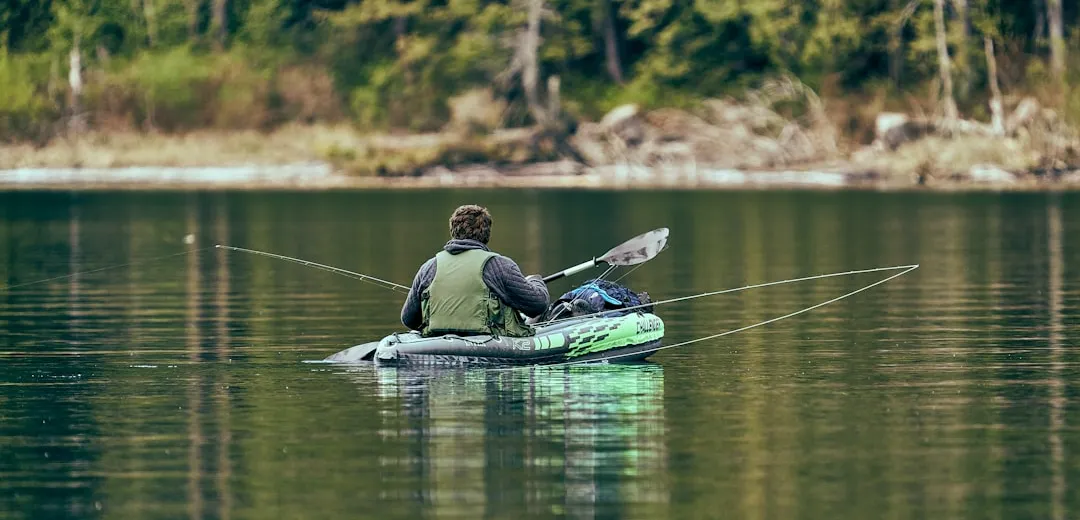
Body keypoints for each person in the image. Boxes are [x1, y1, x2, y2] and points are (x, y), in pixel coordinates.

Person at [401, 204, 550, 337]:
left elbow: (408, 319)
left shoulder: (429, 267)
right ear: (487, 234)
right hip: (489, 349)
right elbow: (538, 305)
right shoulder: (500, 266)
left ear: (453, 231)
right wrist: (535, 280)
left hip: (437, 346)